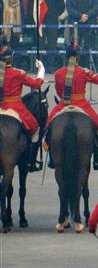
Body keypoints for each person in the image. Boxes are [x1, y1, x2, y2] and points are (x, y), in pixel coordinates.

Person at [48, 42, 98, 168]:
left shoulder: (58, 73)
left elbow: (59, 91)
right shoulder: (84, 72)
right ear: (78, 57)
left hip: (63, 104)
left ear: (66, 56)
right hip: (81, 104)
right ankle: (97, 159)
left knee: (48, 127)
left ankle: (52, 158)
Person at [0, 38, 46, 171]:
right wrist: (41, 69)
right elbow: (37, 84)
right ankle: (30, 158)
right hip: (15, 107)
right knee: (36, 128)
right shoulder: (18, 73)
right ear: (11, 58)